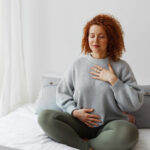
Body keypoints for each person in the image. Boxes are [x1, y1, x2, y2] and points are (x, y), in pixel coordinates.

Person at [38, 14, 144, 150]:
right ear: (87, 37)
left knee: (130, 133)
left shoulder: (121, 67)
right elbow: (62, 94)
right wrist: (75, 112)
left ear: (110, 39)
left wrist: (113, 80)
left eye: (101, 36)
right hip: (79, 123)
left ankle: (88, 145)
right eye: (92, 35)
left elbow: (134, 103)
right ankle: (86, 147)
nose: (95, 40)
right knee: (45, 117)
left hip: (110, 125)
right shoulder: (77, 64)